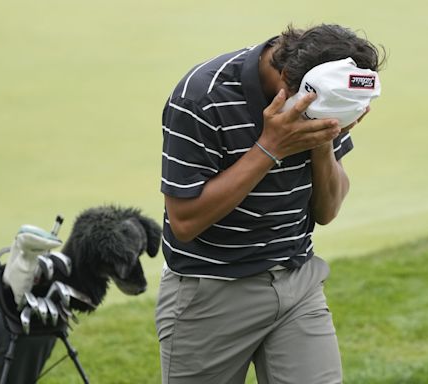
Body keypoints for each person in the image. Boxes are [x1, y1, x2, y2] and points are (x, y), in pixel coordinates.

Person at [156, 23, 384, 384]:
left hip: (297, 283)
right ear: (285, 84)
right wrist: (270, 147)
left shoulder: (324, 95)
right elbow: (184, 223)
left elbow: (326, 212)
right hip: (210, 292)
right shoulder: (201, 97)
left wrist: (322, 139)